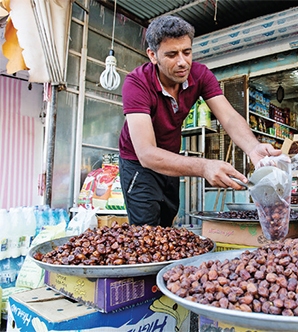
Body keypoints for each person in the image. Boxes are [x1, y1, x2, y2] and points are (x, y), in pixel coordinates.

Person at [118, 15, 282, 227]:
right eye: (171, 54)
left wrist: (253, 148)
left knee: (167, 222)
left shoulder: (200, 74)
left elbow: (229, 116)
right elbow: (147, 154)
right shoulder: (136, 83)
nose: (182, 62)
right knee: (146, 231)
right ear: (152, 55)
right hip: (138, 164)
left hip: (171, 160)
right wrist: (204, 167)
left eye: (187, 52)